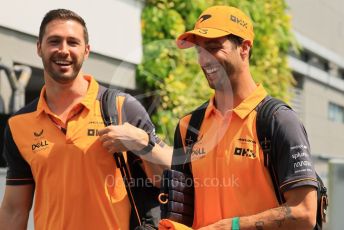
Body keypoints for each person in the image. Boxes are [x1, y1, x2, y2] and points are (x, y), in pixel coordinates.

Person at [0, 9, 171, 230]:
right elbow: (15, 209)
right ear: (39, 47)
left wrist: (143, 143)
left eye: (73, 42)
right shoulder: (19, 125)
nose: (63, 50)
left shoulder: (120, 108)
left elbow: (169, 173)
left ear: (86, 50)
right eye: (54, 41)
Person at [167, 5, 318, 230]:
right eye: (199, 50)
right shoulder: (189, 127)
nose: (204, 60)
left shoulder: (278, 121)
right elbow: (181, 215)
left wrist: (234, 226)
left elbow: (305, 213)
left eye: (214, 48)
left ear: (244, 48)